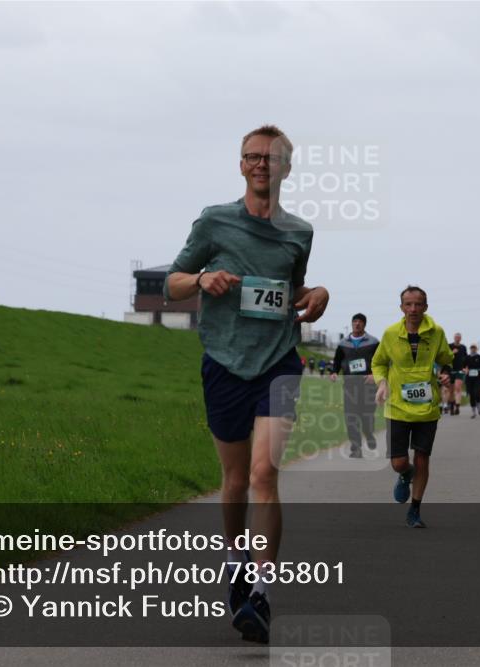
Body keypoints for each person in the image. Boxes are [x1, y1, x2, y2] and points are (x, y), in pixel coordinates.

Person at [164, 125, 329, 644]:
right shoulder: (214, 221)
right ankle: (236, 560)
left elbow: (290, 288)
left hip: (278, 361)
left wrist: (317, 292)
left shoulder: (299, 232)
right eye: (252, 157)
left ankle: (261, 592)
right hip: (224, 362)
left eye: (271, 158)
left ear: (286, 168)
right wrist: (201, 280)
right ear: (240, 165)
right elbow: (172, 282)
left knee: (264, 473)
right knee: (234, 481)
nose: (261, 164)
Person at [371, 286, 453, 528]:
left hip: (427, 408)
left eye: (418, 304)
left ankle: (415, 509)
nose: (413, 309)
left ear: (426, 307)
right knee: (398, 462)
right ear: (401, 308)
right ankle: (404, 474)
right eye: (408, 304)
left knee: (422, 459)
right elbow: (378, 363)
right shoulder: (390, 334)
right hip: (397, 406)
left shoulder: (436, 332)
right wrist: (382, 383)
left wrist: (446, 373)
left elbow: (446, 360)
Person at [329, 313, 380, 458]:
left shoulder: (373, 342)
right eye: (355, 321)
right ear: (352, 324)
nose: (357, 324)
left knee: (367, 416)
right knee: (351, 416)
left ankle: (369, 434)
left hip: (368, 385)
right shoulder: (343, 343)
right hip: (350, 385)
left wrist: (374, 375)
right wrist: (334, 372)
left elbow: (380, 361)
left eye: (360, 322)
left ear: (364, 324)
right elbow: (337, 361)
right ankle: (355, 448)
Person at [441, 332, 467, 416]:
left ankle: (457, 406)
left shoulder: (463, 347)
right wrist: (452, 352)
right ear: (454, 338)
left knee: (458, 388)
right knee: (450, 390)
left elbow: (466, 358)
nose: (457, 338)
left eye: (459, 337)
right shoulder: (449, 346)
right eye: (456, 337)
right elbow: (445, 357)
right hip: (450, 370)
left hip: (459, 370)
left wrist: (465, 368)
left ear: (461, 338)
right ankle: (451, 406)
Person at [463, 344, 480, 418]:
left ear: (476, 349)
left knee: (477, 393)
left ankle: (479, 407)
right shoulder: (467, 357)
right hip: (469, 378)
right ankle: (473, 412)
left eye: (474, 348)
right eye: (472, 348)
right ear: (470, 349)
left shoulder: (479, 357)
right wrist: (465, 370)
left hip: (477, 378)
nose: (473, 349)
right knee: (472, 395)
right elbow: (462, 367)